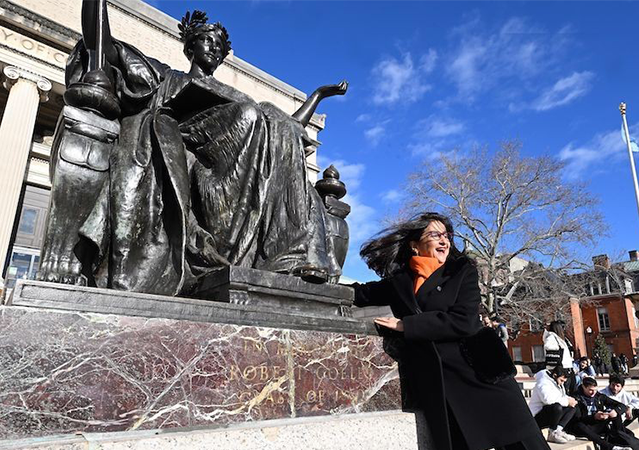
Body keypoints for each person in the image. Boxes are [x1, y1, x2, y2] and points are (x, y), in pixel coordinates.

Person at [42, 1, 348, 294]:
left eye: (219, 45)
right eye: (207, 41)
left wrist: (319, 95)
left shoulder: (233, 96)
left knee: (279, 124)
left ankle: (286, 257)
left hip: (233, 169)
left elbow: (290, 126)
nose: (214, 48)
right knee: (253, 113)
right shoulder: (167, 76)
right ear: (190, 47)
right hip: (187, 144)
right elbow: (104, 47)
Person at [353, 213, 550, 450]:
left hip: (480, 372)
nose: (444, 241)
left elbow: (464, 321)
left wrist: (406, 325)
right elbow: (361, 293)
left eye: (446, 235)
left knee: (524, 442)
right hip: (440, 382)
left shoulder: (462, 270)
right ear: (414, 245)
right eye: (435, 235)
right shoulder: (400, 282)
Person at [570, 377, 639, 450]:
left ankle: (622, 441)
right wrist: (594, 417)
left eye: (595, 390)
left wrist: (615, 411)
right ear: (583, 387)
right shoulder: (576, 398)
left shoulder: (598, 396)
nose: (593, 393)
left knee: (621, 424)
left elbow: (621, 405)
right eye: (590, 390)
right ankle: (611, 447)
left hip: (598, 424)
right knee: (579, 425)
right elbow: (578, 417)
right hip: (584, 426)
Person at [600, 374, 639, 448]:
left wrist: (629, 407)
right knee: (630, 436)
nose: (615, 388)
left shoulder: (625, 394)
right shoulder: (602, 393)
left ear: (622, 387)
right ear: (610, 384)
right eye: (613, 385)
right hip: (610, 423)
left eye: (617, 386)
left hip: (622, 420)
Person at [528, 366, 578, 444]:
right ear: (555, 375)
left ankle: (558, 430)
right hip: (537, 415)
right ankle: (552, 433)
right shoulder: (543, 382)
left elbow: (561, 396)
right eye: (561, 380)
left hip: (549, 413)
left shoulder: (557, 383)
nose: (562, 383)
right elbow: (548, 400)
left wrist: (571, 400)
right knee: (556, 407)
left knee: (572, 408)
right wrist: (567, 402)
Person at [544, 320, 575, 394]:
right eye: (562, 327)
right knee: (563, 392)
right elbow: (551, 356)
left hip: (567, 368)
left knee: (570, 390)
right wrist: (558, 372)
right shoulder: (551, 338)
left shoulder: (562, 339)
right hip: (560, 369)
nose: (564, 329)